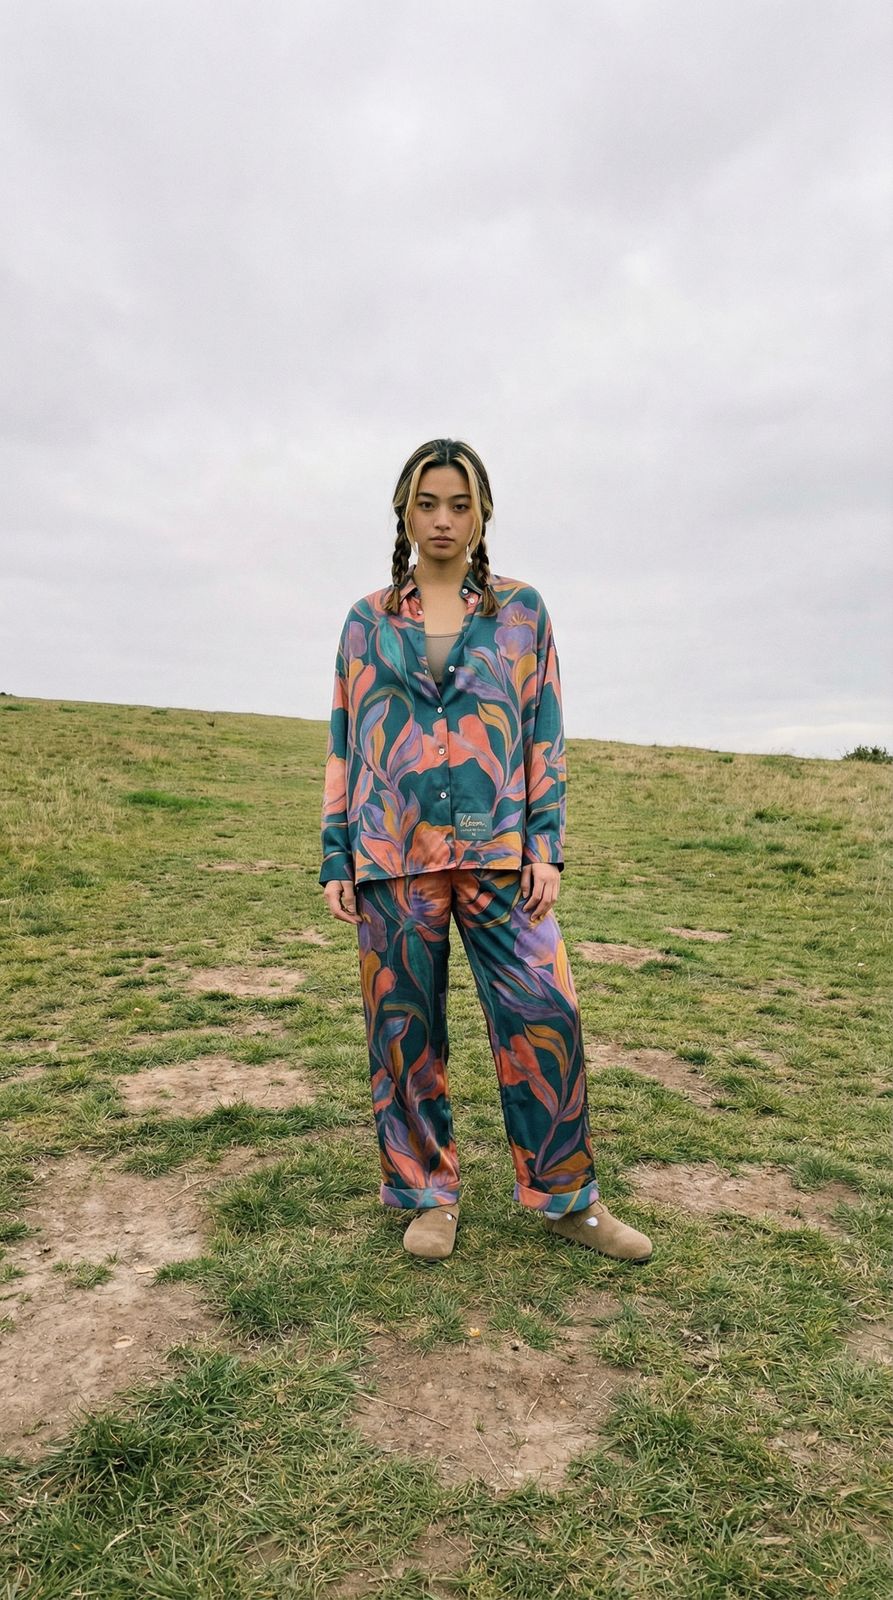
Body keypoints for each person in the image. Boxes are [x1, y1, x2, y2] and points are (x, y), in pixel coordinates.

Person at [319, 438, 653, 1266]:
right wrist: (336, 855)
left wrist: (547, 846)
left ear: (481, 514)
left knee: (545, 1015)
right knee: (404, 1034)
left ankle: (567, 1200)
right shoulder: (365, 621)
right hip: (391, 852)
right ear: (403, 509)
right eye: (427, 503)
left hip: (502, 850)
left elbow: (544, 732)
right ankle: (427, 1196)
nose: (442, 519)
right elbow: (345, 739)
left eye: (458, 504)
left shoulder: (521, 611)